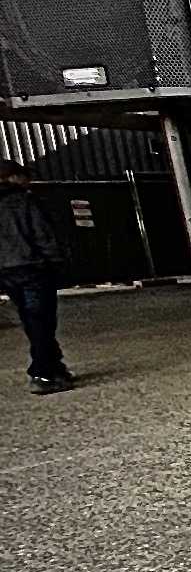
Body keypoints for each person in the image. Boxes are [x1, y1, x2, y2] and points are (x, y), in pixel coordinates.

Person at [0, 160, 73, 395]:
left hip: (7, 271)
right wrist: (56, 261)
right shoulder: (23, 201)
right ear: (12, 177)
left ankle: (55, 366)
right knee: (42, 322)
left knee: (32, 321)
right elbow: (42, 234)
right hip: (33, 268)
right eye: (24, 177)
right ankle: (43, 373)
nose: (28, 182)